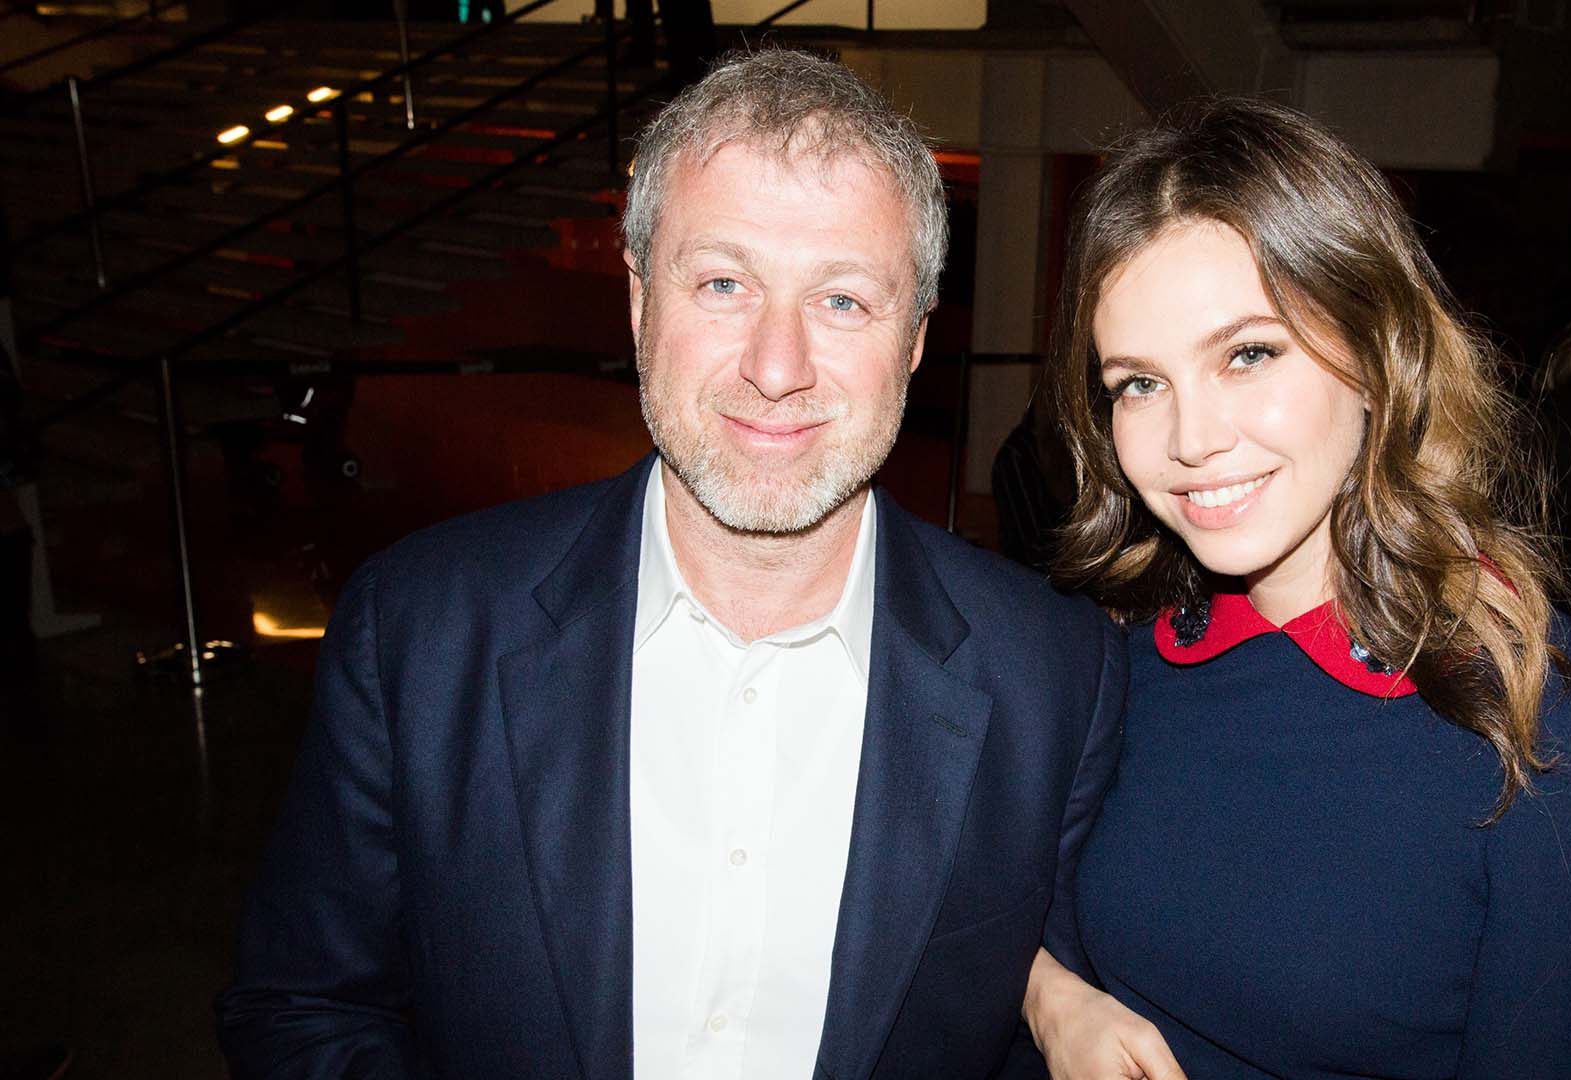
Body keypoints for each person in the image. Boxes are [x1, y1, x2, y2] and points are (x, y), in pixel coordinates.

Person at [215, 49, 1125, 1079]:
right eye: (724, 282)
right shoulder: (419, 631)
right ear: (642, 303)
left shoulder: (1056, 676)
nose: (776, 368)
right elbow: (300, 1010)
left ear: (914, 341)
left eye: (842, 301)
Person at [1018, 98, 1571, 1080]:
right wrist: (1053, 1000)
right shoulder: (1114, 662)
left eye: (1249, 353)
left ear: (1379, 354)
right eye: (1138, 383)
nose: (1191, 439)